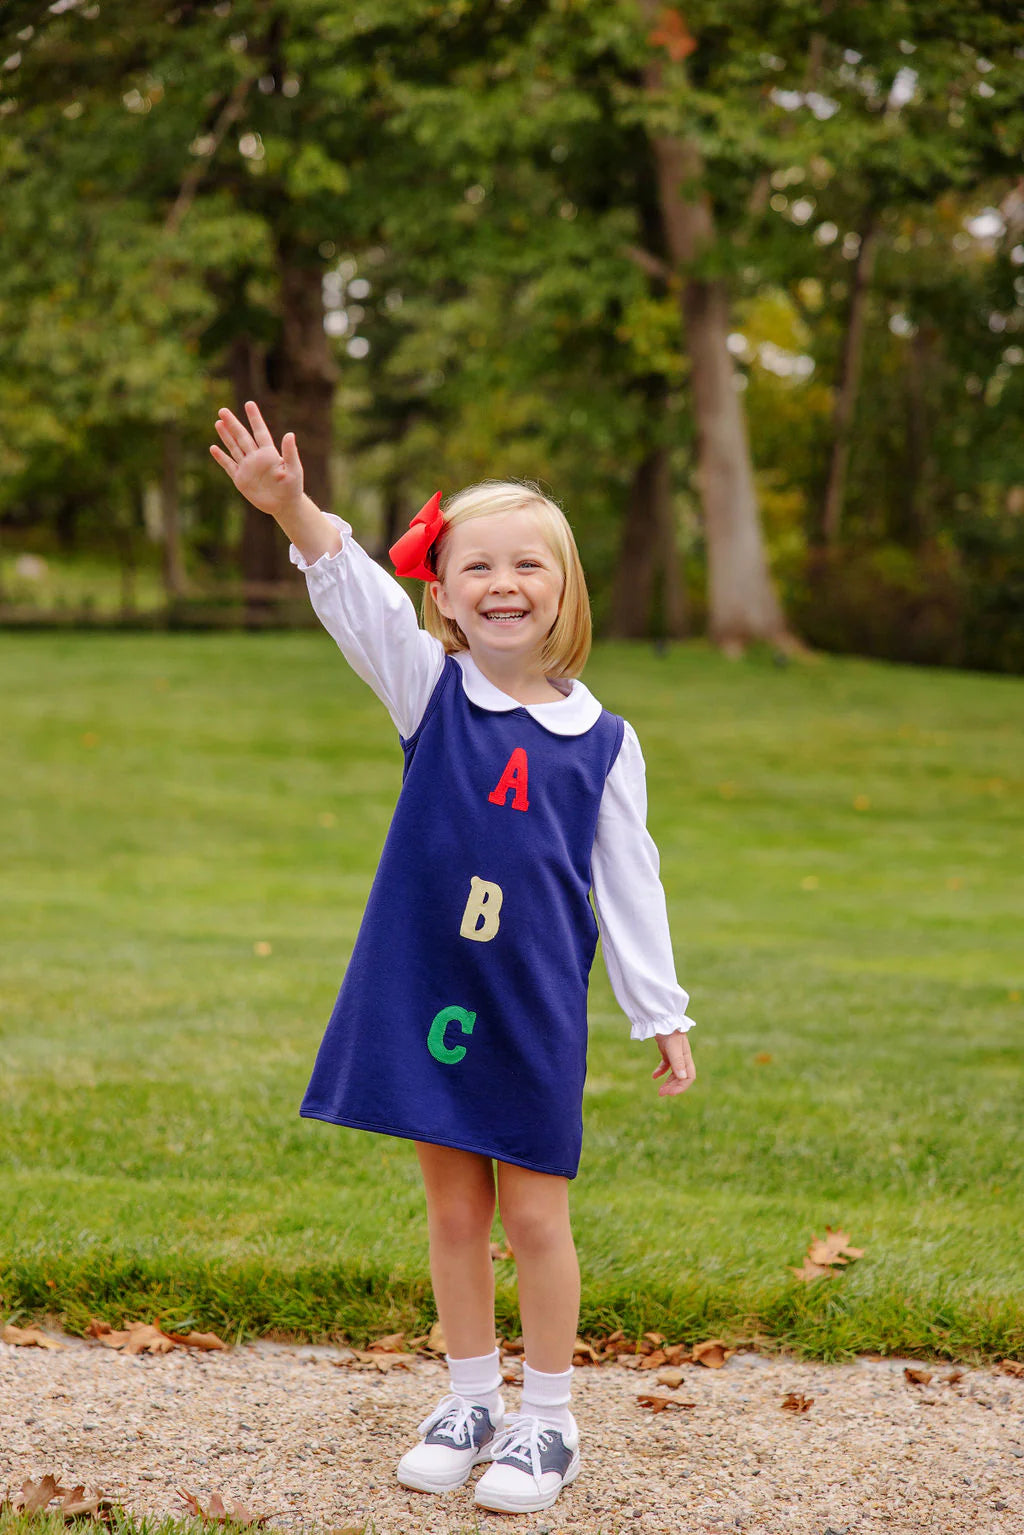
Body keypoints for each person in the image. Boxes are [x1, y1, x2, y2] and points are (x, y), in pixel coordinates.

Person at [210, 400, 697, 1516]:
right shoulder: (431, 692)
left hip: (527, 1007)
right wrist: (292, 505)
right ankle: (471, 1394)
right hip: (433, 993)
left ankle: (549, 1419)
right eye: (476, 564)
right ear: (444, 593)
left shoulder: (606, 744)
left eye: (528, 562)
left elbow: (631, 881)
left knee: (534, 1214)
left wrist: (657, 1008)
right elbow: (355, 593)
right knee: (451, 1210)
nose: (502, 581)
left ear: (563, 591)